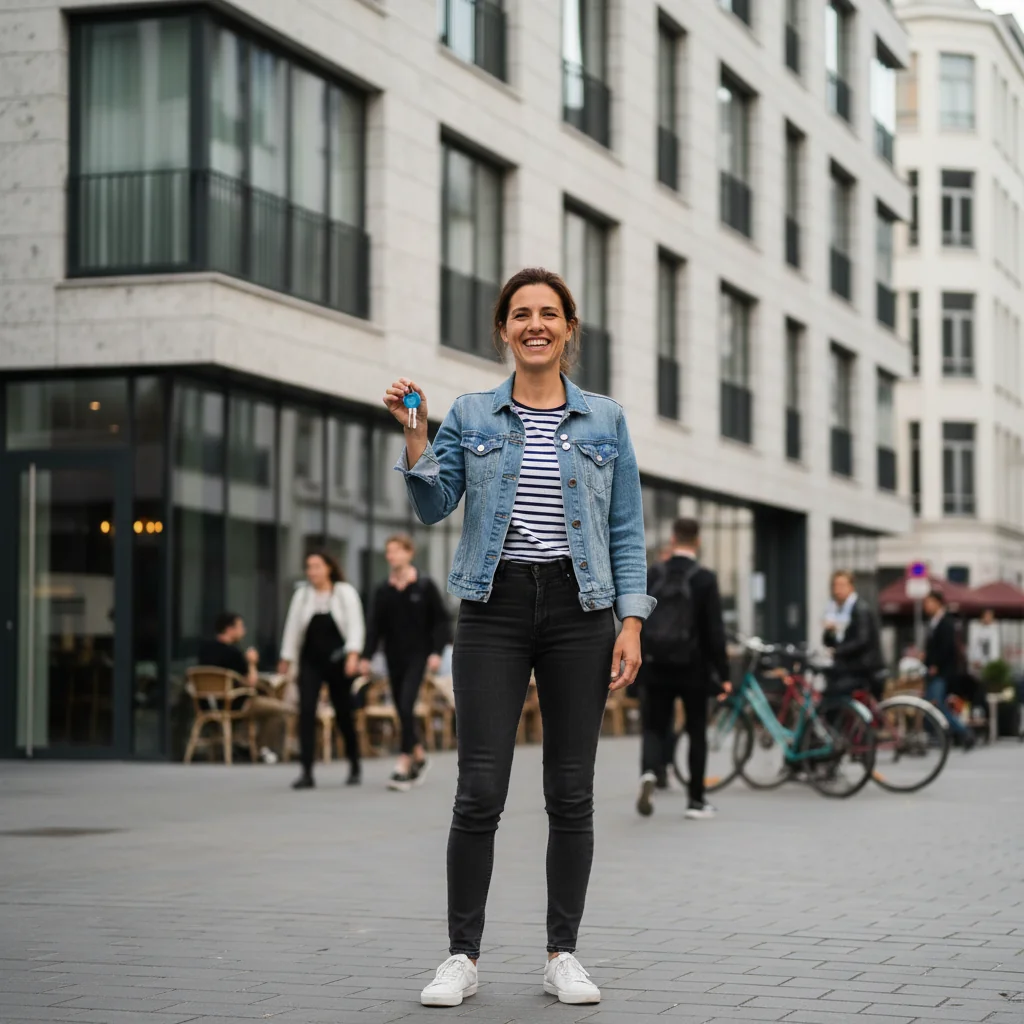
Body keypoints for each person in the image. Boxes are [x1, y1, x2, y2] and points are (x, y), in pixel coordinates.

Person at [385, 267, 653, 1008]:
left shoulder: (607, 421)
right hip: (493, 608)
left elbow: (625, 528)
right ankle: (460, 957)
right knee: (479, 791)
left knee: (570, 791)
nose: (535, 325)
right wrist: (415, 433)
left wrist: (630, 620)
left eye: (549, 314)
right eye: (520, 314)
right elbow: (435, 503)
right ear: (503, 329)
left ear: (569, 328)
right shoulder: (471, 414)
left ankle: (562, 953)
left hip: (580, 609)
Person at [636, 517, 729, 822]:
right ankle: (696, 801)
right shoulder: (704, 578)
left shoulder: (654, 573)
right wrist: (724, 674)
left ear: (673, 538)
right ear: (698, 541)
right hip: (693, 667)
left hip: (655, 664)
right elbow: (714, 631)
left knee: (653, 726)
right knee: (696, 731)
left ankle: (650, 772)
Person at [360, 533, 451, 791]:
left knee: (405, 701)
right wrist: (366, 657)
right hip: (393, 655)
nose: (392, 556)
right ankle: (419, 754)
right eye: (389, 552)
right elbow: (374, 627)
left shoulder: (423, 586)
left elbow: (441, 621)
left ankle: (403, 761)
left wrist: (436, 652)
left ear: (409, 553)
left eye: (397, 551)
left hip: (418, 655)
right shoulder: (383, 590)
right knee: (401, 706)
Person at [278, 551, 366, 788]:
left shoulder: (344, 592)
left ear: (329, 567)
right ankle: (306, 771)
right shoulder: (302, 595)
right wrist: (286, 658)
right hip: (310, 662)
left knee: (343, 713)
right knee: (306, 712)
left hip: (338, 662)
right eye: (309, 567)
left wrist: (353, 655)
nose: (312, 572)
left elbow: (356, 625)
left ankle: (354, 763)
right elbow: (292, 628)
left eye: (317, 566)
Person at [922, 589, 975, 750]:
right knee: (932, 705)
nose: (926, 606)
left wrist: (935, 665)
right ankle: (945, 734)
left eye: (928, 602)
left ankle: (963, 732)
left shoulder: (945, 622)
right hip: (937, 671)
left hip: (941, 673)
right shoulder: (935, 622)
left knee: (936, 705)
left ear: (937, 603)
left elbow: (946, 648)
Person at [821, 571, 885, 699]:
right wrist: (829, 631)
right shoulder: (835, 610)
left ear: (851, 586)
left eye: (842, 585)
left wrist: (837, 652)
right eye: (835, 585)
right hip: (849, 668)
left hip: (862, 670)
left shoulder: (859, 609)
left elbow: (862, 640)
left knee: (832, 698)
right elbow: (830, 642)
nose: (838, 589)